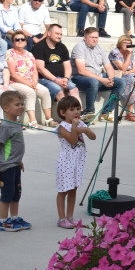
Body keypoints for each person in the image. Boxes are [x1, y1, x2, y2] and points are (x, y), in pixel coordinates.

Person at [0, 90, 30, 231]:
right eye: (17, 104)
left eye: (22, 104)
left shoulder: (17, 124)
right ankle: (2, 222)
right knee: (7, 193)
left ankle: (14, 217)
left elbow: (14, 146)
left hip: (15, 165)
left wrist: (19, 160)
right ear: (6, 108)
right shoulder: (5, 126)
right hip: (5, 167)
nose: (21, 107)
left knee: (16, 193)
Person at [54, 95, 95, 229]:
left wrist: (85, 129)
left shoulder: (79, 124)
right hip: (66, 162)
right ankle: (61, 218)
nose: (76, 112)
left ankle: (70, 217)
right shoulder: (62, 127)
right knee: (63, 190)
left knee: (73, 189)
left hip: (77, 162)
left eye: (78, 108)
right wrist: (75, 129)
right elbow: (72, 141)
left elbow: (93, 137)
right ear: (62, 113)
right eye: (72, 109)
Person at [71, 27, 125, 121]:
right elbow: (81, 70)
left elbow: (108, 67)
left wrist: (110, 79)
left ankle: (107, 112)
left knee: (121, 82)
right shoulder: (79, 47)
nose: (95, 40)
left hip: (98, 77)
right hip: (80, 78)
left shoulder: (100, 48)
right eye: (92, 37)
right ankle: (89, 112)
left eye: (96, 37)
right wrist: (102, 80)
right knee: (93, 81)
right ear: (85, 38)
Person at [5, 30, 54, 127]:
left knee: (45, 91)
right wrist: (30, 85)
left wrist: (35, 83)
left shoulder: (29, 54)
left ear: (26, 42)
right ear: (12, 42)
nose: (20, 41)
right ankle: (32, 121)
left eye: (22, 39)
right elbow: (13, 74)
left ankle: (48, 119)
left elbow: (34, 71)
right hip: (15, 82)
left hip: (30, 82)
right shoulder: (10, 53)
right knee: (30, 92)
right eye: (17, 39)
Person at [33, 23, 79, 105]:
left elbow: (68, 66)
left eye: (61, 34)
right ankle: (67, 116)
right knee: (60, 92)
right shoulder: (39, 47)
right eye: (57, 34)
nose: (59, 36)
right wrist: (56, 80)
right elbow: (40, 69)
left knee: (74, 90)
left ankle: (78, 116)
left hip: (62, 78)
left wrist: (66, 78)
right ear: (49, 33)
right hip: (45, 79)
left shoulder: (62, 47)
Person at [108, 36, 135, 119]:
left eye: (129, 43)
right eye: (125, 42)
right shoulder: (115, 52)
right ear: (120, 43)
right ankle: (130, 112)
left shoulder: (130, 52)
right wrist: (128, 55)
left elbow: (134, 69)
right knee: (133, 79)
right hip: (116, 76)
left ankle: (130, 112)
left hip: (128, 75)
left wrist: (127, 72)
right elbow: (122, 69)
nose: (127, 44)